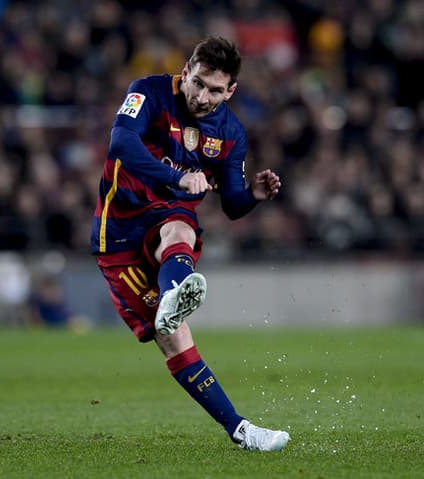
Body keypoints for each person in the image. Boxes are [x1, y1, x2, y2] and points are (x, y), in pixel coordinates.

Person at [91, 36, 289, 451]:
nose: (202, 96)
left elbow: (231, 204)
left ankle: (242, 431)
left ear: (230, 91)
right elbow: (121, 144)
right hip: (119, 233)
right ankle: (171, 297)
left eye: (215, 90)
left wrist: (252, 195)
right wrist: (176, 177)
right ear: (186, 70)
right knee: (173, 339)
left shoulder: (231, 133)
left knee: (179, 229)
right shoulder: (148, 92)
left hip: (170, 215)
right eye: (197, 83)